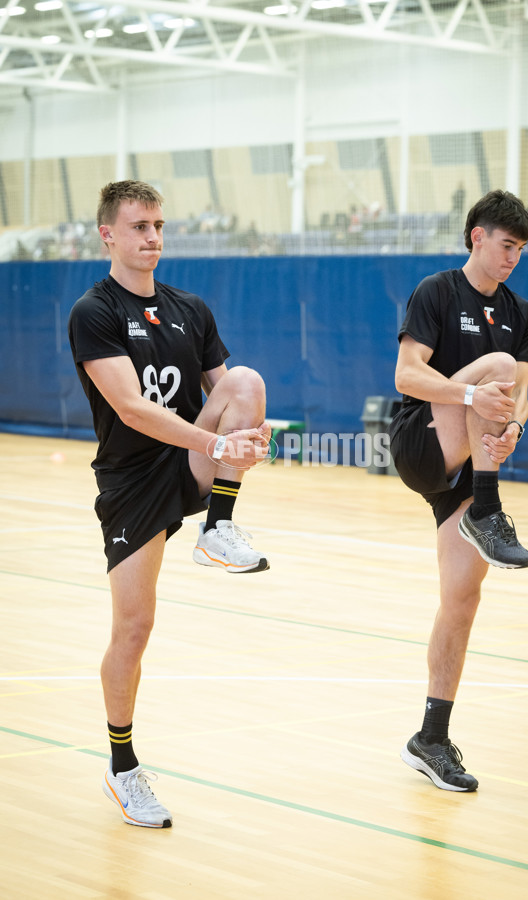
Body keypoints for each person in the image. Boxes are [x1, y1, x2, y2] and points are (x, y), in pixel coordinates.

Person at [68, 180, 271, 828]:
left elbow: (226, 393)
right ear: (108, 234)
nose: (152, 237)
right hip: (130, 480)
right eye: (138, 227)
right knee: (134, 627)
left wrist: (249, 435)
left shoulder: (190, 308)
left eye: (158, 225)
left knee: (247, 380)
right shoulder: (94, 312)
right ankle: (122, 766)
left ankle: (219, 526)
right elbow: (131, 409)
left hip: (185, 459)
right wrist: (219, 438)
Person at [388, 189, 528, 793]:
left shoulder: (519, 310)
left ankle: (430, 736)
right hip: (423, 438)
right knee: (496, 368)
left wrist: (513, 433)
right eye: (507, 246)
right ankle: (490, 507)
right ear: (477, 235)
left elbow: (521, 397)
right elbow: (406, 374)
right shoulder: (438, 291)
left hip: (471, 461)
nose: (513, 259)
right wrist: (476, 399)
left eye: (522, 250)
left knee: (462, 601)